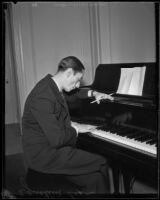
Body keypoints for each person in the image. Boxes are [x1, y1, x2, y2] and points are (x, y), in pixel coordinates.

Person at [22, 56, 113, 194]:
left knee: (95, 178)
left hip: (51, 147)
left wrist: (94, 93)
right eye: (77, 80)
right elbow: (57, 139)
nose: (78, 85)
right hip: (44, 155)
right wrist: (76, 128)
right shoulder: (42, 96)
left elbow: (74, 95)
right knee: (101, 162)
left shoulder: (52, 85)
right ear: (69, 72)